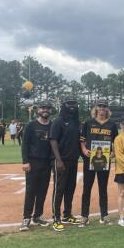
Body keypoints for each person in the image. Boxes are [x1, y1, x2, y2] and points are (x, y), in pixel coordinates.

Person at [79, 99, 118, 226]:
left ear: (107, 109)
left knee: (103, 188)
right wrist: (84, 149)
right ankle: (84, 216)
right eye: (100, 106)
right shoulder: (89, 123)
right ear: (96, 108)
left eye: (104, 106)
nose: (102, 108)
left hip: (104, 160)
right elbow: (82, 139)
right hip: (90, 159)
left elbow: (116, 142)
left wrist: (113, 152)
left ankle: (104, 215)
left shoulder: (112, 124)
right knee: (87, 188)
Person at [20, 101, 54, 231]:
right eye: (43, 108)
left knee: (42, 191)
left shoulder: (53, 125)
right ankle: (26, 218)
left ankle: (37, 216)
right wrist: (25, 161)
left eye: (47, 108)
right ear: (38, 110)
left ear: (50, 110)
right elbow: (25, 144)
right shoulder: (31, 125)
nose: (45, 110)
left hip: (47, 163)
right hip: (33, 162)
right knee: (31, 191)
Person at [50, 96, 81, 232]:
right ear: (64, 105)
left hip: (73, 160)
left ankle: (67, 214)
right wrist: (58, 160)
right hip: (61, 161)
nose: (72, 106)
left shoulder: (75, 121)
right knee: (59, 189)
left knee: (70, 188)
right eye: (69, 103)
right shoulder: (58, 121)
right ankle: (56, 218)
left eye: (74, 103)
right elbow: (53, 141)